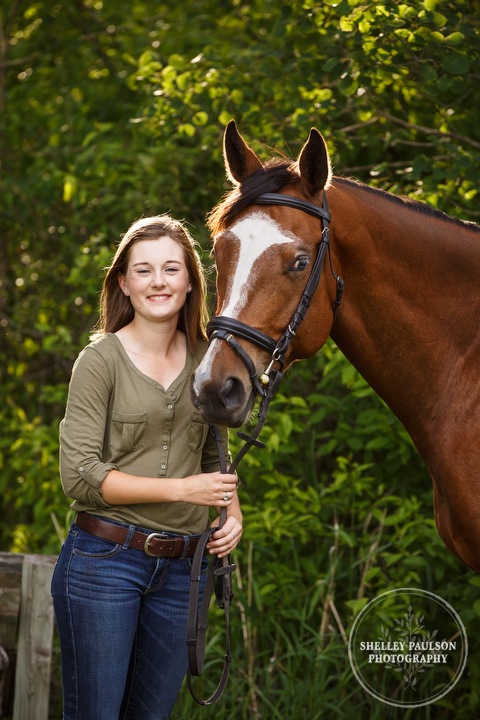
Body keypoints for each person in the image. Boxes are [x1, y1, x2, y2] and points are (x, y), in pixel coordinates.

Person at [51, 214, 242, 720]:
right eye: (144, 270)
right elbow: (80, 475)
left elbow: (213, 455)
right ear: (124, 283)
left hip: (184, 571)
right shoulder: (100, 361)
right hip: (104, 563)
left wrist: (232, 515)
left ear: (189, 281)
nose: (159, 281)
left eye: (171, 269)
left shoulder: (209, 359)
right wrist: (184, 491)